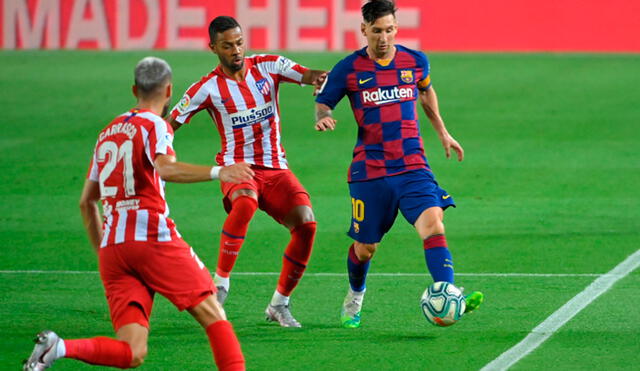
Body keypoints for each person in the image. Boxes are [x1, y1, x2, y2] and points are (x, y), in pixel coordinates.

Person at [23, 57, 252, 371]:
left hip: (114, 250)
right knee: (214, 313)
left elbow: (86, 202)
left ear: (134, 88)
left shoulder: (107, 132)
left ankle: (57, 348)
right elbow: (165, 168)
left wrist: (106, 251)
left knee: (133, 351)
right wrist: (219, 171)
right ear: (169, 90)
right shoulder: (155, 124)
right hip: (152, 237)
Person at [314, 0, 484, 328]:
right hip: (371, 171)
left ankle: (448, 291)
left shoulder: (415, 61)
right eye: (376, 30)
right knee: (366, 248)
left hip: (412, 166)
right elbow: (323, 101)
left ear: (396, 28)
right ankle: (355, 294)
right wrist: (324, 117)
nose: (383, 37)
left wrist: (444, 133)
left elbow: (426, 92)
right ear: (363, 29)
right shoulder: (348, 69)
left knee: (433, 223)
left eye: (389, 29)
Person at [168, 16, 326, 328]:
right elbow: (168, 125)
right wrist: (157, 152)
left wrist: (323, 81)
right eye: (227, 46)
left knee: (306, 225)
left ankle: (279, 304)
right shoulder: (206, 88)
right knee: (245, 202)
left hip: (276, 169)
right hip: (237, 169)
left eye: (239, 43)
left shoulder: (268, 66)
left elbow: (311, 75)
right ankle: (221, 284)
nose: (236, 50)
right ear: (213, 48)